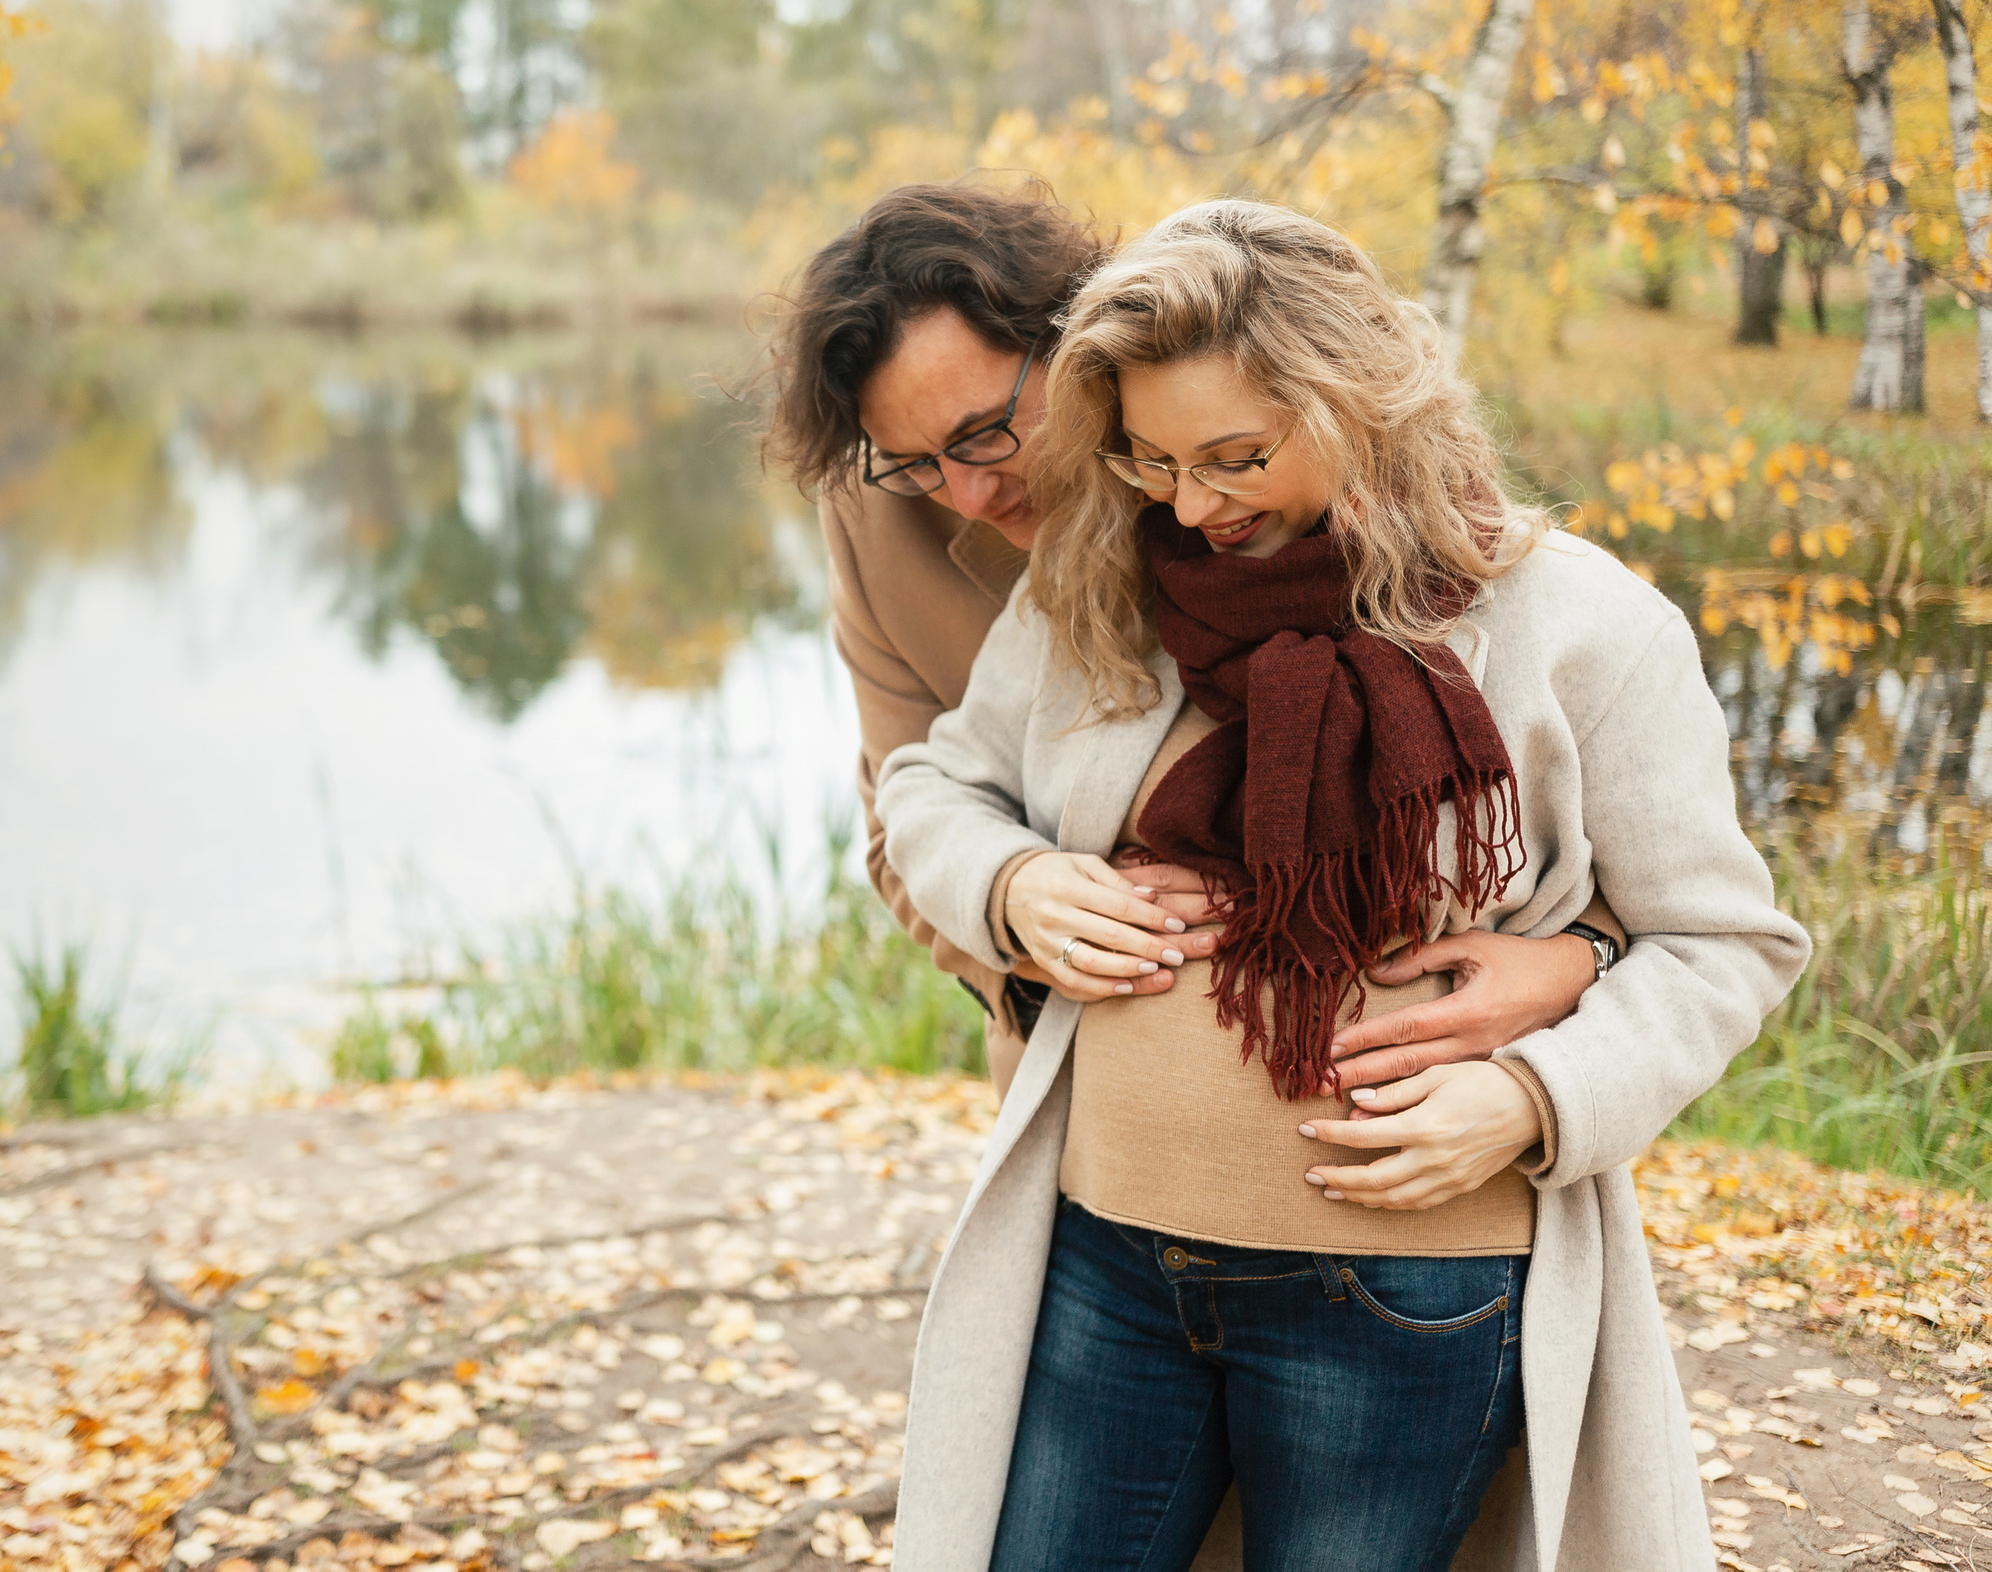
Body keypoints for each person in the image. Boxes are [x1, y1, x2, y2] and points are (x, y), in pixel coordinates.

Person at [872, 199, 1811, 1571]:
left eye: (1235, 455)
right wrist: (1013, 884)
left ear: (1362, 403)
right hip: (1108, 1258)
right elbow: (931, 787)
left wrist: (1533, 1095)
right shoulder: (1105, 591)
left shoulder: (1577, 625)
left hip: (1410, 1292)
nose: (1191, 506)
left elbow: (1725, 942)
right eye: (1152, 461)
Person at [764, 179, 1614, 1103]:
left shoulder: (1303, 476)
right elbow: (905, 818)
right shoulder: (881, 523)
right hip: (1072, 1116)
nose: (965, 494)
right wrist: (1022, 914)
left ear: (1078, 346)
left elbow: (1593, 815)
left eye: (984, 433)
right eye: (917, 461)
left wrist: (1584, 956)